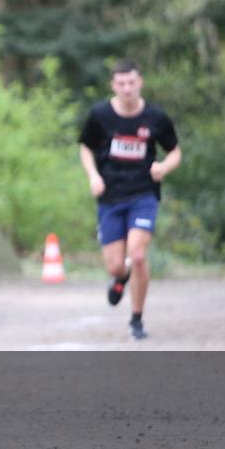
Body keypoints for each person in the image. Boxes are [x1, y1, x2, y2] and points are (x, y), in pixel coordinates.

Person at [78, 59, 181, 340]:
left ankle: (136, 318)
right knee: (115, 264)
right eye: (121, 83)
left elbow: (175, 151)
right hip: (110, 196)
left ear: (140, 82)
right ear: (113, 85)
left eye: (131, 82)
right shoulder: (100, 115)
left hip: (143, 194)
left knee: (137, 255)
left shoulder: (156, 117)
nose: (126, 88)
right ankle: (119, 278)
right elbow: (85, 148)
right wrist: (93, 176)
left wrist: (163, 167)